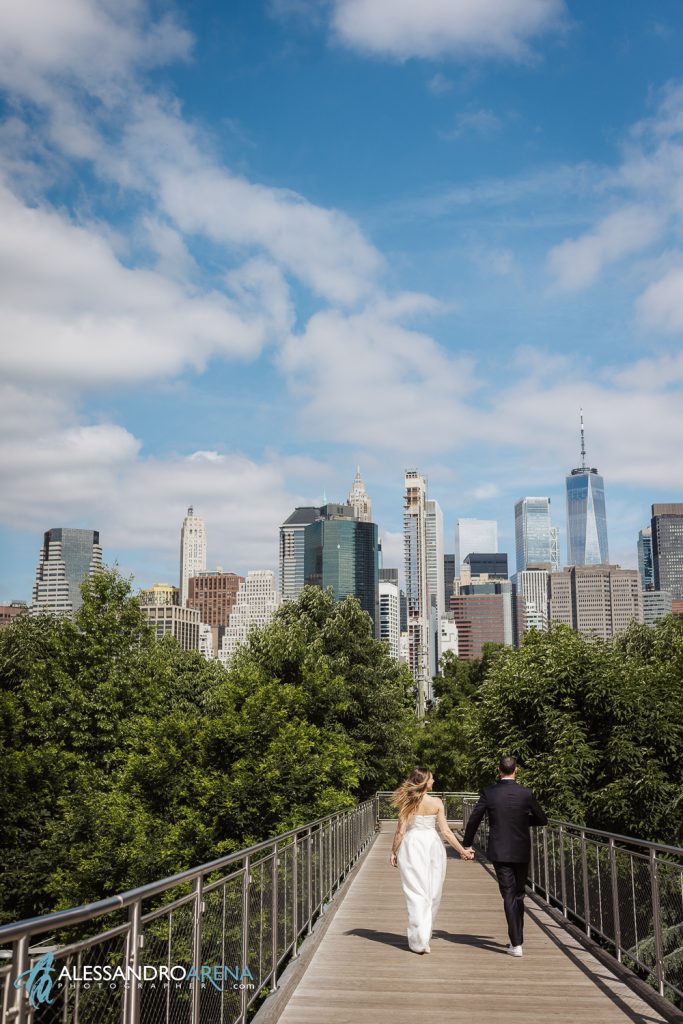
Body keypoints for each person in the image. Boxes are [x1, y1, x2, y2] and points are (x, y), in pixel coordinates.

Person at [462, 754, 548, 958]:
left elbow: (475, 819)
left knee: (508, 894)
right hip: (521, 850)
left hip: (500, 851)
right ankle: (517, 939)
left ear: (499, 770)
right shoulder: (526, 793)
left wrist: (467, 843)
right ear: (515, 770)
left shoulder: (489, 792)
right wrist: (521, 822)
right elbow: (542, 819)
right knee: (519, 894)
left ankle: (516, 943)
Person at [390, 766, 474, 954]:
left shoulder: (407, 802)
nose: (434, 781)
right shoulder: (436, 802)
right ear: (424, 781)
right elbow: (445, 832)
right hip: (433, 847)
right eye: (431, 779)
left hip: (412, 846)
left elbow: (400, 832)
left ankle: (418, 940)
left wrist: (393, 852)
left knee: (415, 892)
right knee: (433, 893)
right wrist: (462, 851)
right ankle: (423, 939)